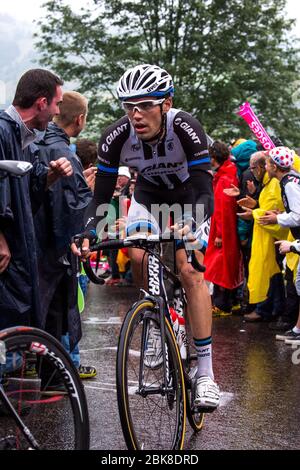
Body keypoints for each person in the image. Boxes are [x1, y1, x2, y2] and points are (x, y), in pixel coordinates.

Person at [73, 63, 220, 410]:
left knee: (190, 272)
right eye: (129, 106)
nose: (135, 114)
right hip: (149, 200)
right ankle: (156, 319)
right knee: (137, 254)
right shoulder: (116, 136)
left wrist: (190, 220)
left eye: (145, 105)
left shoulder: (185, 127)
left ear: (165, 104)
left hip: (190, 199)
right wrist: (89, 230)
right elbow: (101, 198)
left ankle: (206, 374)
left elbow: (204, 189)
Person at [0, 69, 73, 333]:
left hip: (19, 255)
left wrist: (51, 175)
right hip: (6, 255)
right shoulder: (1, 131)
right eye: (56, 104)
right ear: (42, 102)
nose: (56, 112)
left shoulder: (27, 140)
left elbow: (29, 193)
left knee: (14, 335)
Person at [34, 91, 97, 380]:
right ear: (80, 119)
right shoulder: (62, 152)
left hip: (34, 244)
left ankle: (46, 369)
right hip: (56, 248)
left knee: (44, 311)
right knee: (57, 312)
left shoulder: (37, 141)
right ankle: (55, 375)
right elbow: (66, 206)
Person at [258, 146, 300, 343]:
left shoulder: (290, 184)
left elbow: (298, 216)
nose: (265, 167)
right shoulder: (289, 181)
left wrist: (277, 219)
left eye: (266, 163)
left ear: (274, 166)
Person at [204, 141, 243, 316]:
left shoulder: (224, 178)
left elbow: (221, 209)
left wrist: (219, 234)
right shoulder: (228, 173)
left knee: (220, 266)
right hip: (227, 229)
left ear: (214, 158)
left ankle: (222, 304)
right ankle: (232, 301)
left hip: (224, 231)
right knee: (228, 265)